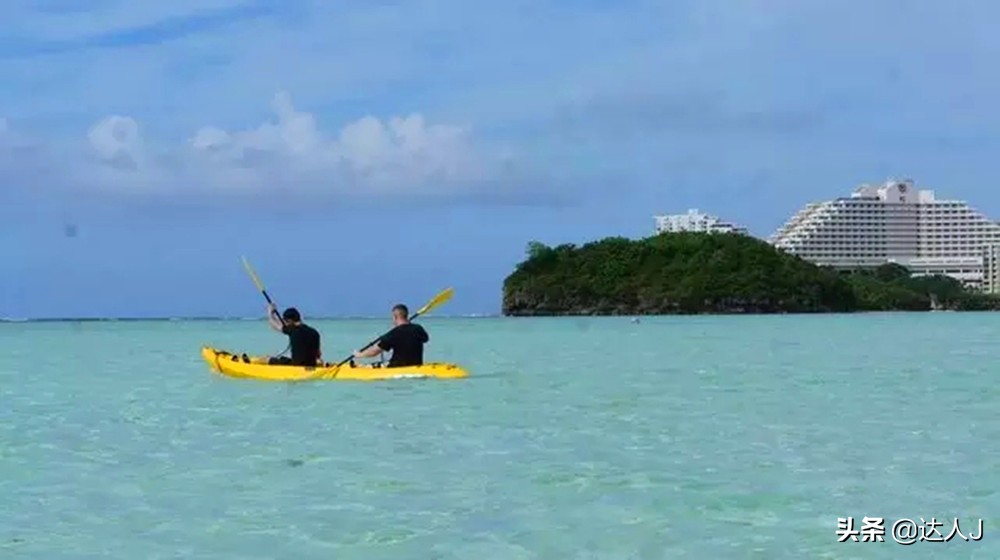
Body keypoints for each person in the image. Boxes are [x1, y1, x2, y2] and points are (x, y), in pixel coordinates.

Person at [353, 303, 429, 367]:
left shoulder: (393, 333)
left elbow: (374, 352)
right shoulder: (418, 328)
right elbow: (426, 339)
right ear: (406, 315)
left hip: (396, 368)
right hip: (416, 366)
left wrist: (359, 354)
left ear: (395, 317)